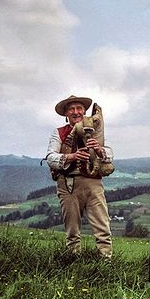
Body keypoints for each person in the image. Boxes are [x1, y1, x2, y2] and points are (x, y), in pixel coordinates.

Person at [46, 95, 113, 257]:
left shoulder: (95, 131)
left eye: (79, 108)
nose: (76, 112)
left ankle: (106, 261)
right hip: (68, 183)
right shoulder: (59, 133)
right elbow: (50, 157)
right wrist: (72, 157)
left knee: (102, 226)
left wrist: (99, 150)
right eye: (72, 109)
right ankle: (72, 260)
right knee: (72, 229)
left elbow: (110, 155)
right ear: (66, 114)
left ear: (84, 111)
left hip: (94, 183)